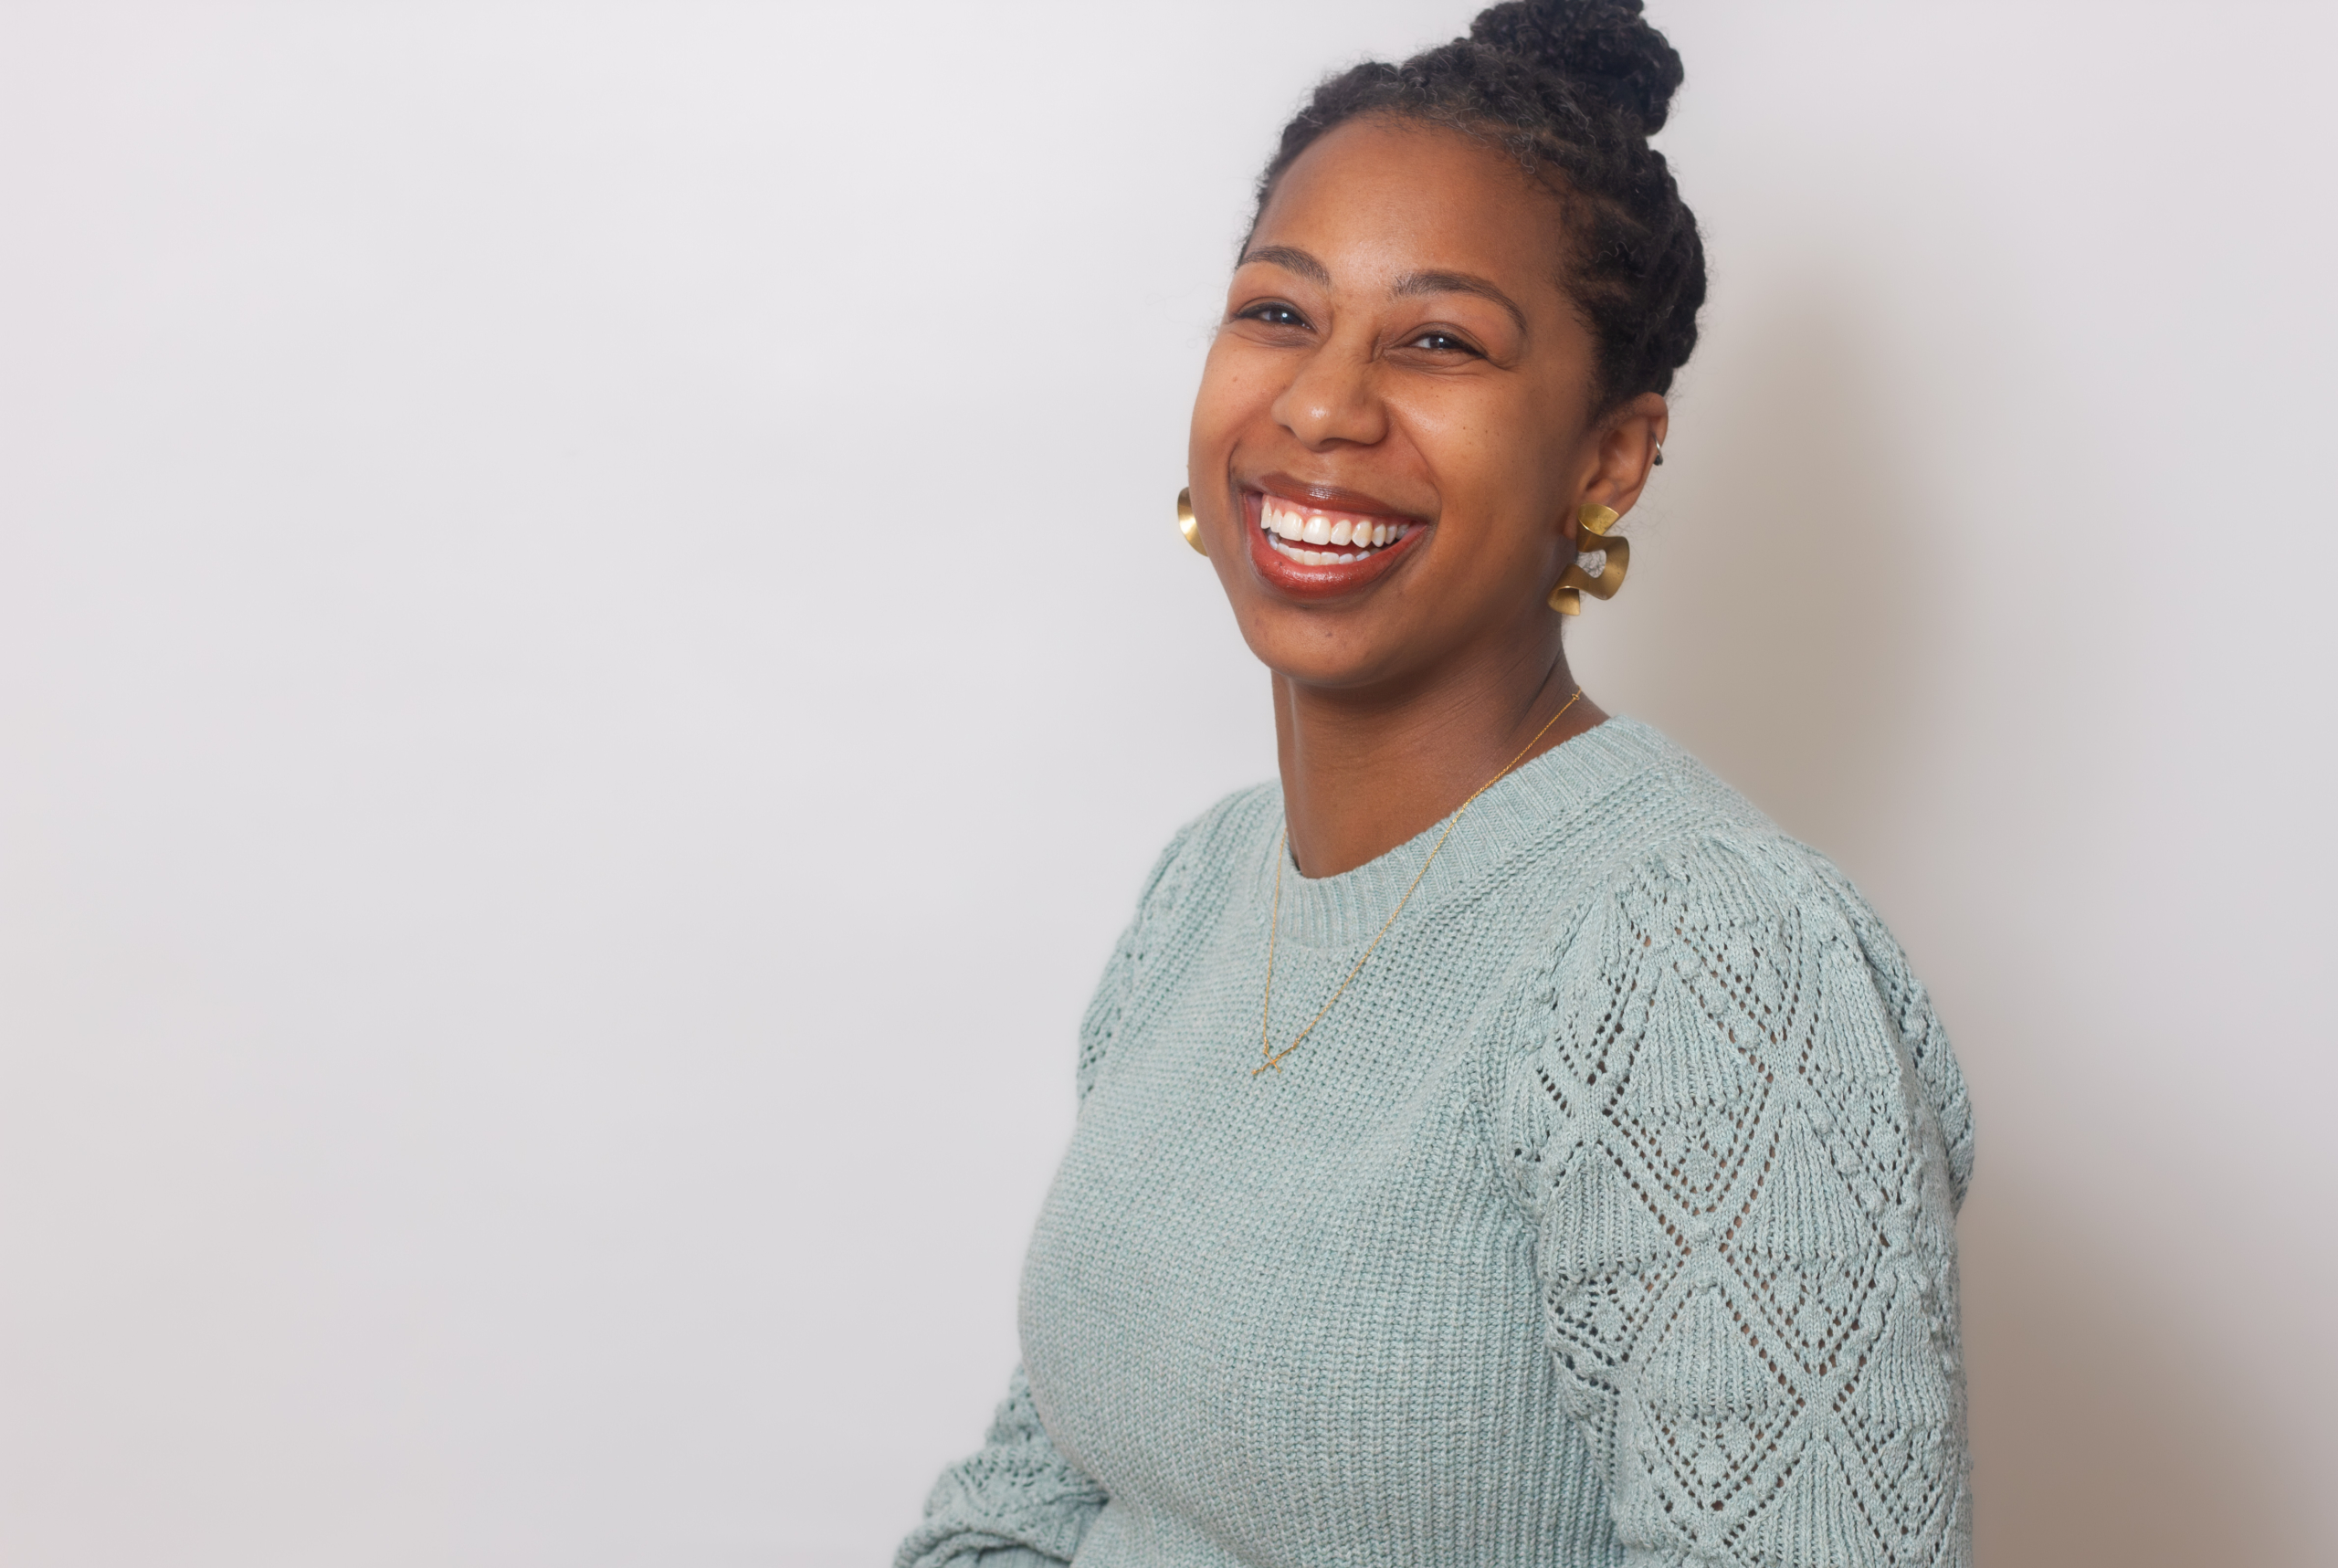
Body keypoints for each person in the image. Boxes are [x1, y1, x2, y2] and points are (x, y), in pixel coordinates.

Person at [897, 2, 1975, 1563]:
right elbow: (1042, 1490)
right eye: (1278, 312)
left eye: (1440, 341)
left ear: (1608, 459)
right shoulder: (1208, 887)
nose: (1324, 406)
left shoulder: (1702, 959)